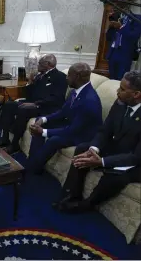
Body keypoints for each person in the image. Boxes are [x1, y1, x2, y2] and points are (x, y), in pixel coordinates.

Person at [53, 70, 141, 213]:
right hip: (119, 147)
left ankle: (87, 204)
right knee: (83, 148)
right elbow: (105, 130)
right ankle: (72, 195)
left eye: (123, 89)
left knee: (116, 176)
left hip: (136, 160)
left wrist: (102, 162)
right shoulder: (120, 103)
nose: (118, 91)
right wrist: (94, 149)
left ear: (136, 94)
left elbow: (136, 157)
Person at [27, 63, 103, 175]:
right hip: (72, 125)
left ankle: (33, 169)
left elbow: (73, 130)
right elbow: (63, 112)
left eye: (69, 75)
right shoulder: (76, 91)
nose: (66, 78)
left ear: (77, 77)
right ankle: (32, 161)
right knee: (39, 124)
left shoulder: (89, 100)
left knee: (54, 139)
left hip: (83, 135)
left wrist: (43, 132)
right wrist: (43, 119)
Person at [0, 54, 67, 154]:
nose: (37, 65)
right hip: (32, 103)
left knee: (23, 109)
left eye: (40, 63)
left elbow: (56, 98)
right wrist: (30, 81)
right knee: (8, 104)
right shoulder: (39, 75)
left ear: (48, 64)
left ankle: (15, 144)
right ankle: (5, 138)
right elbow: (29, 94)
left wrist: (36, 104)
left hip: (45, 107)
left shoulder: (60, 77)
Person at [106, 9, 141, 80]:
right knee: (112, 79)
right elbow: (108, 37)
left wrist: (121, 27)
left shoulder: (137, 18)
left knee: (121, 79)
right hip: (113, 52)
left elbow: (134, 36)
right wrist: (110, 27)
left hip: (125, 53)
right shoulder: (115, 17)